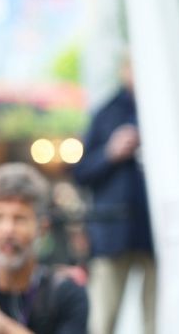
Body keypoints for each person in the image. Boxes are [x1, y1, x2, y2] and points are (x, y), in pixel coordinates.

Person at [72, 60, 156, 334]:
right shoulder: (106, 113)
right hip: (113, 233)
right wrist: (110, 153)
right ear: (124, 70)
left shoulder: (160, 108)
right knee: (102, 319)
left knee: (155, 319)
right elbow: (81, 172)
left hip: (154, 231)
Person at [0, 162, 88, 334]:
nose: (8, 230)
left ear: (42, 228)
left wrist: (6, 328)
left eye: (19, 218)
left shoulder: (67, 294)